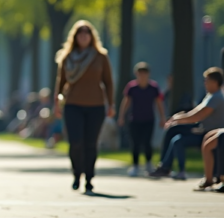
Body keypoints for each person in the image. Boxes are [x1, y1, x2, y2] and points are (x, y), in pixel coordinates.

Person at [54, 20, 114, 194]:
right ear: (75, 37)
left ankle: (89, 177)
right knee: (76, 142)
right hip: (73, 105)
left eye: (86, 33)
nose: (83, 37)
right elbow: (60, 83)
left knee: (91, 143)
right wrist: (57, 104)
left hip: (96, 105)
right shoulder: (66, 57)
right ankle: (76, 173)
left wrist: (111, 104)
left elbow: (108, 82)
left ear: (91, 36)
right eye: (80, 34)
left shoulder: (100, 56)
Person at [149, 67, 224, 180]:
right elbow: (195, 112)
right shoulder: (210, 96)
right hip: (202, 130)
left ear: (214, 82)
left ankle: (175, 170)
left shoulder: (217, 97)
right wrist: (178, 117)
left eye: (206, 80)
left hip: (208, 134)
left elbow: (198, 116)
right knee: (173, 130)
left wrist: (177, 119)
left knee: (177, 140)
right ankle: (165, 166)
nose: (204, 83)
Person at [117, 62, 166, 176]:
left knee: (147, 142)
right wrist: (121, 116)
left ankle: (148, 163)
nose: (142, 76)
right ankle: (135, 166)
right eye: (140, 73)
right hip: (134, 119)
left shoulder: (153, 87)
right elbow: (126, 102)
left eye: (144, 73)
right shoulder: (132, 87)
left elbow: (159, 103)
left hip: (149, 119)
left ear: (148, 74)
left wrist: (162, 118)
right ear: (136, 74)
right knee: (135, 143)